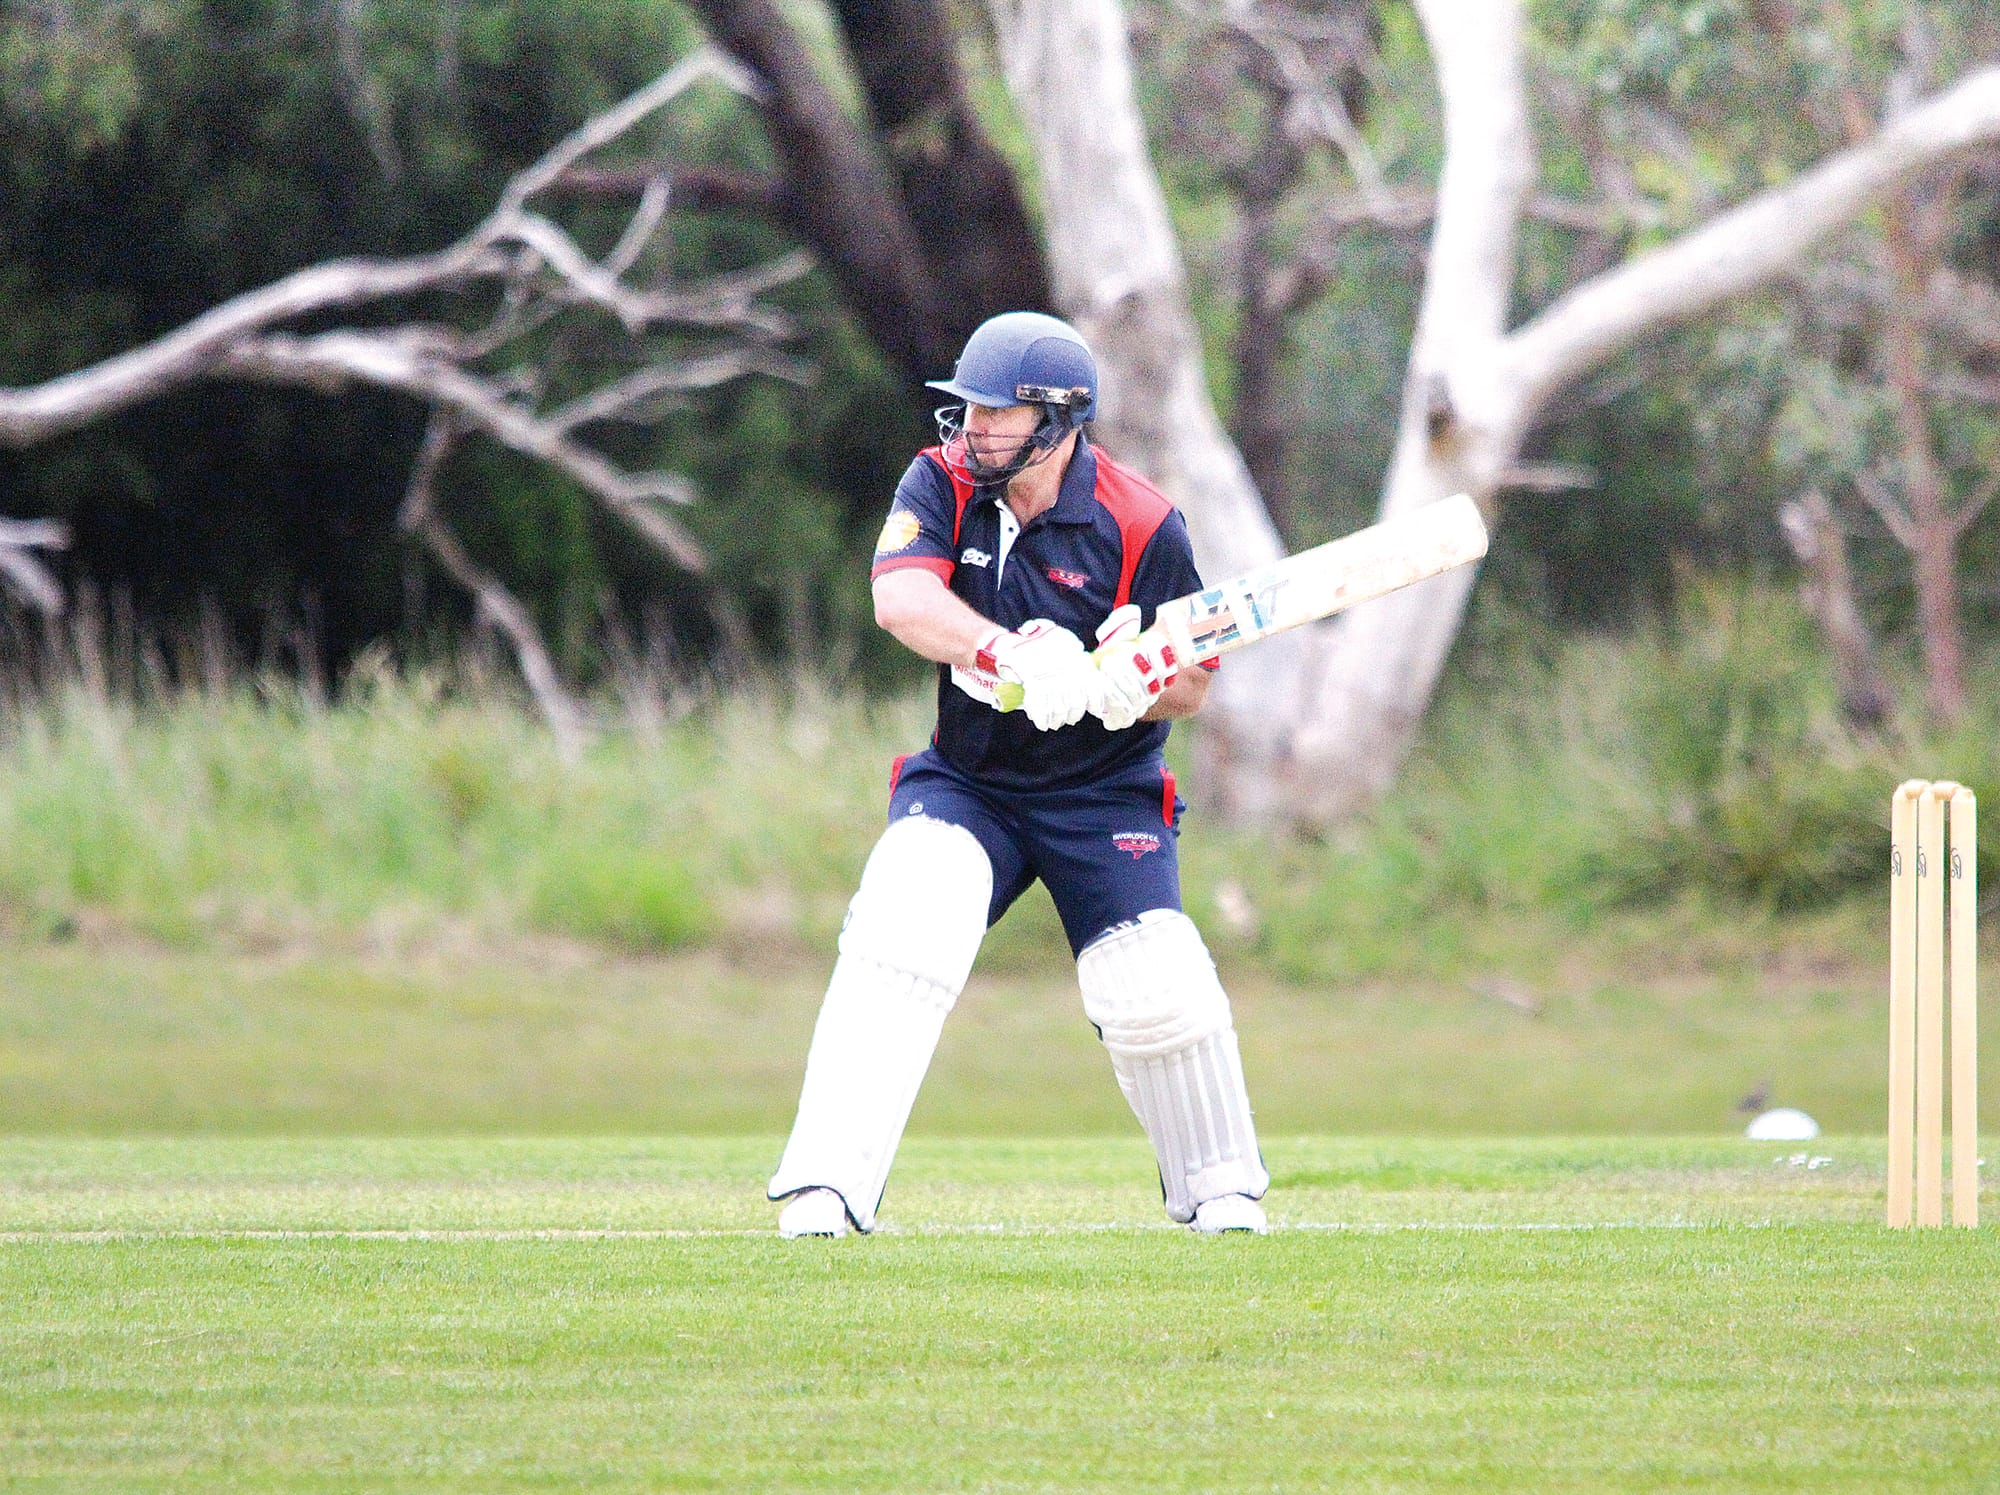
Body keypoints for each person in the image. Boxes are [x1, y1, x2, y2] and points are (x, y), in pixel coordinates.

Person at [767, 311, 1269, 1237]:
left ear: (1060, 420)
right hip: (973, 780)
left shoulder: (1143, 521)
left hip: (1104, 792)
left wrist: (1136, 680)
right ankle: (827, 1184)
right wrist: (1005, 654)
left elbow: (1194, 682)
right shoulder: (941, 480)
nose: (975, 427)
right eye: (969, 407)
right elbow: (900, 597)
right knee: (904, 918)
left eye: (998, 411)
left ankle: (1220, 1187)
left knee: (1151, 980)